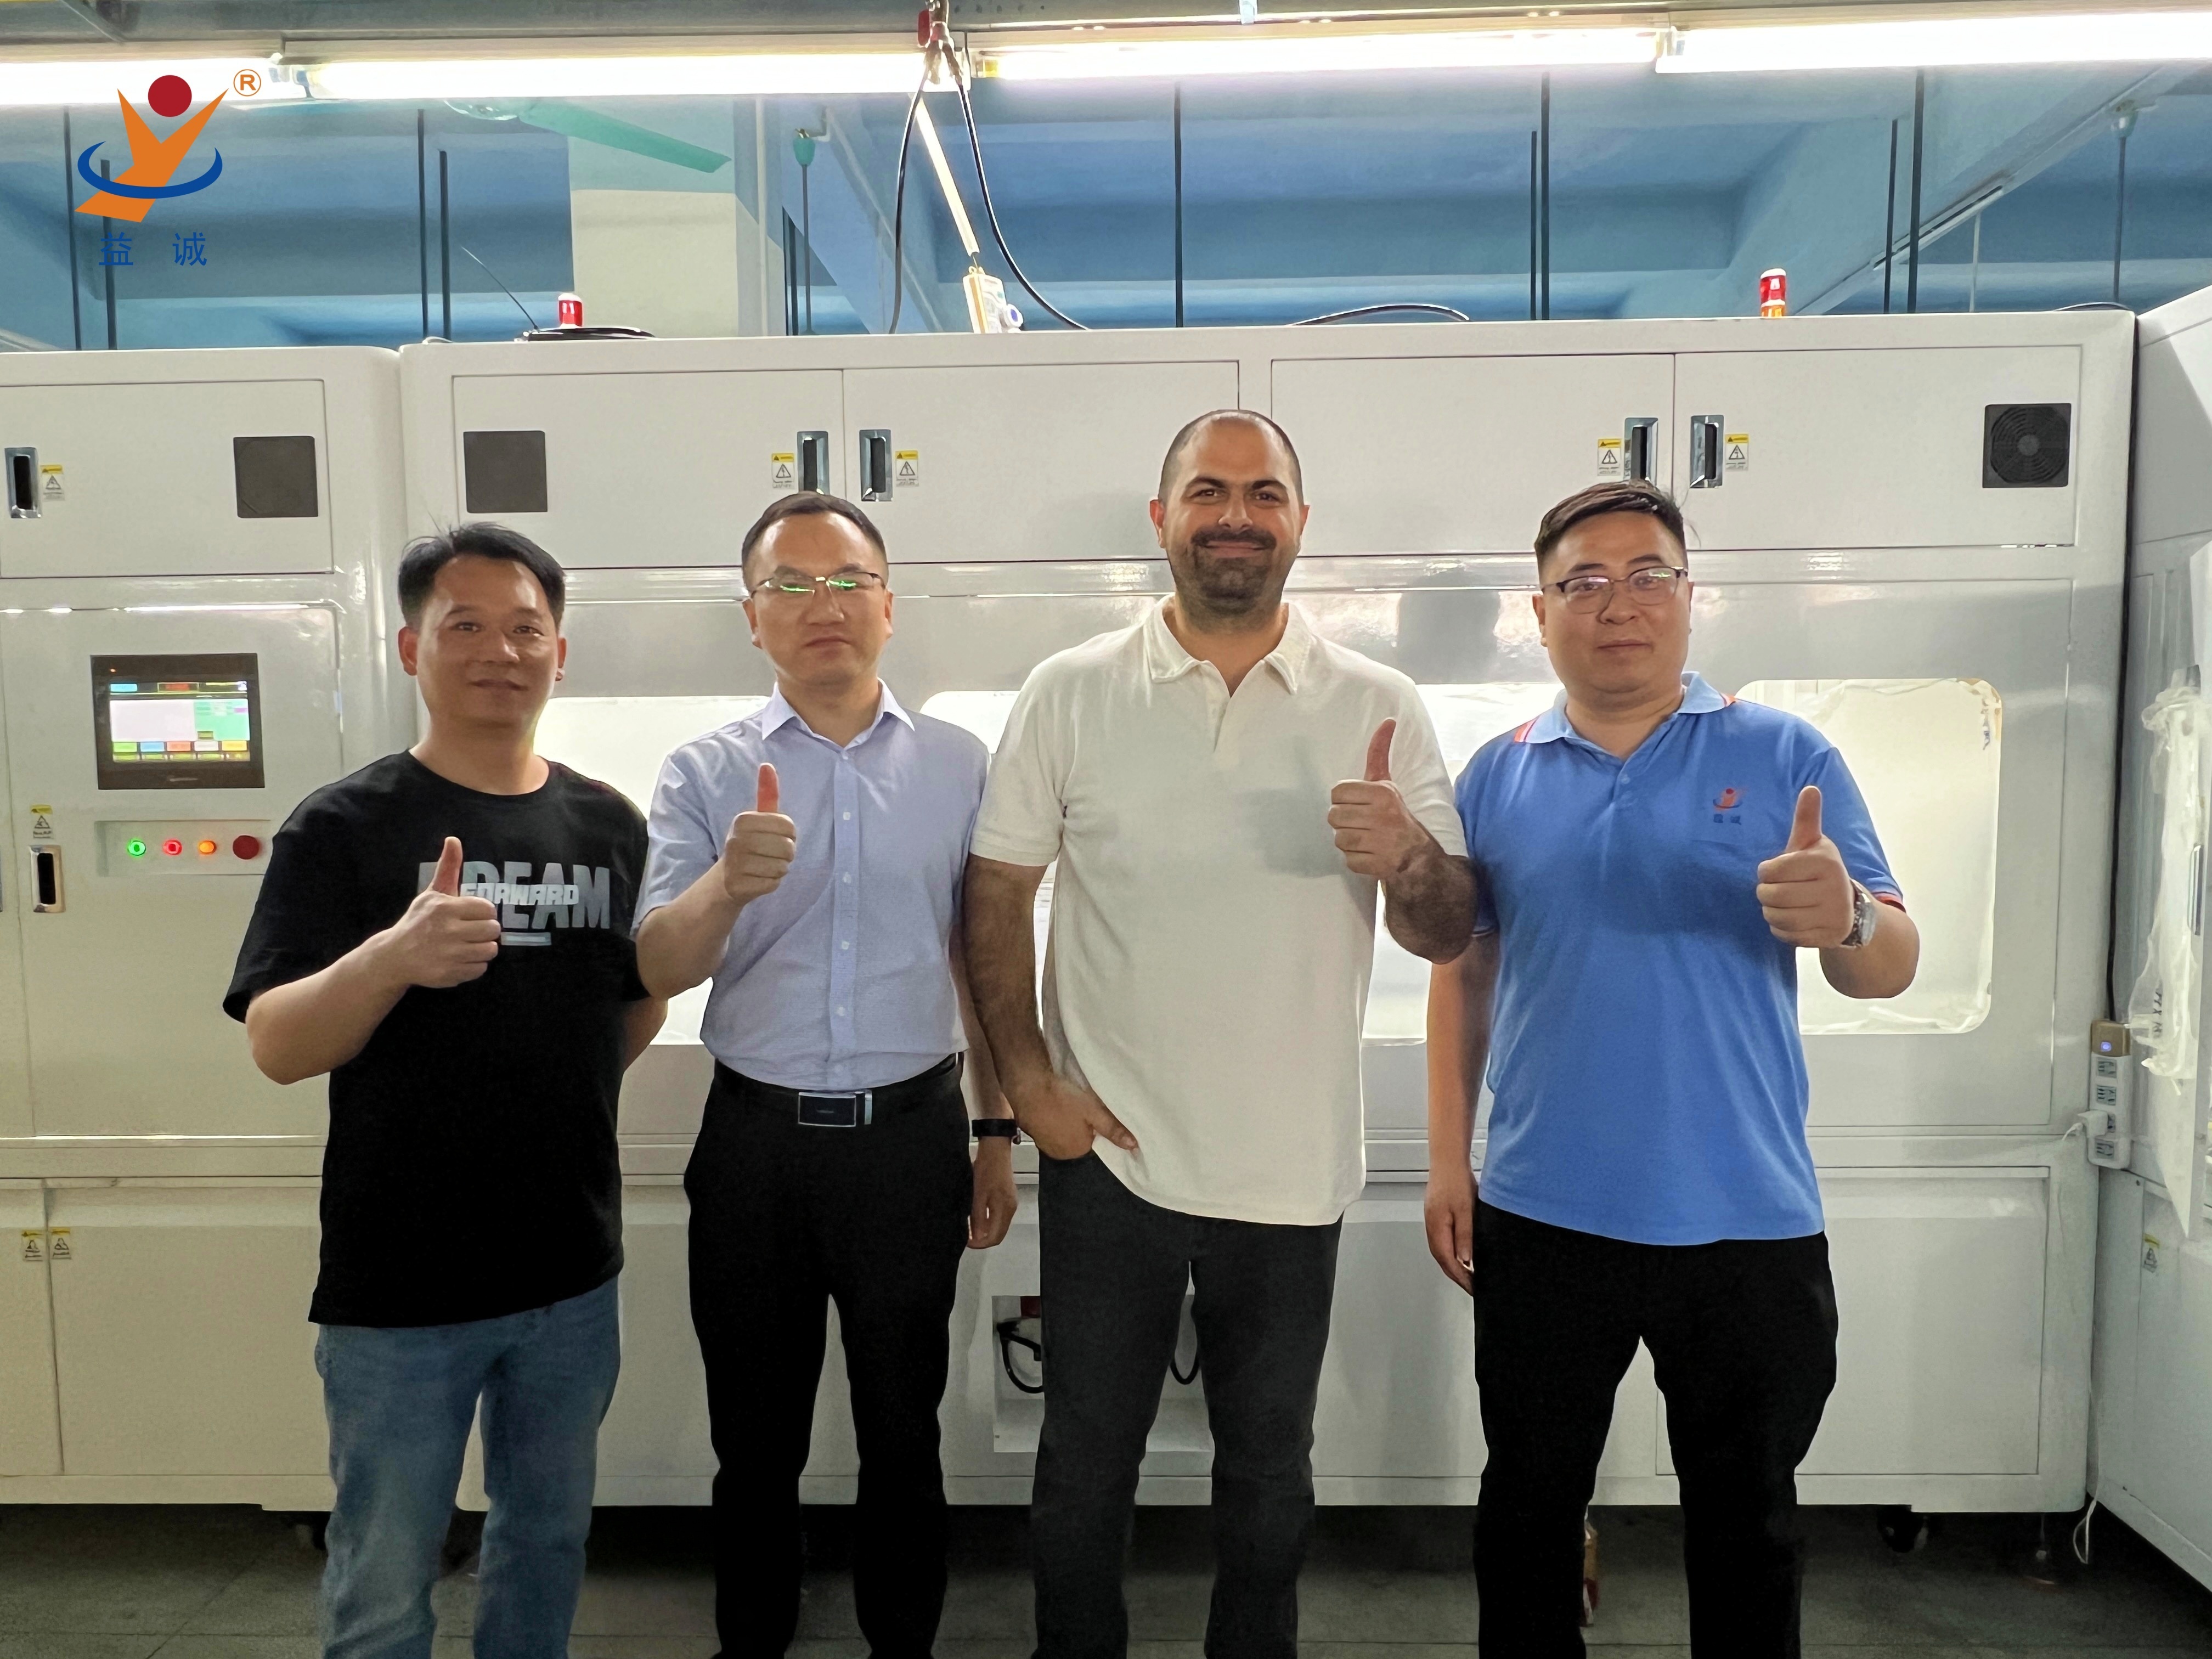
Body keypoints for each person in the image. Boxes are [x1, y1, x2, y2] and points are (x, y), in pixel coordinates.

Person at [964, 410, 1473, 1659]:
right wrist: (1029, 1083)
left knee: (1268, 1468)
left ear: (1300, 521)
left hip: (1292, 1169)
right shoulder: (1071, 691)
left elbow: (1447, 929)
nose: (1234, 516)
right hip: (1112, 1159)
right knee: (1086, 1462)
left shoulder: (1379, 702)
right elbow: (996, 893)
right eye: (1208, 492)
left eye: (1262, 493)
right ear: (1163, 518)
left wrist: (1408, 856)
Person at [1425, 479, 1921, 1658]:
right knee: (1528, 1511)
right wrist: (1451, 1164)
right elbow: (1464, 971)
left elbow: (1891, 963)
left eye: (1649, 575)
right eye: (1585, 583)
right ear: (1540, 613)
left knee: (1749, 1526)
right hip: (1545, 1212)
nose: (1620, 605)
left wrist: (1848, 917)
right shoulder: (1496, 774)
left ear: (1692, 597)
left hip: (1745, 1217)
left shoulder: (1787, 754)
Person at [226, 522, 667, 1659]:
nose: (499, 652)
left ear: (559, 653)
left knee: (546, 1544)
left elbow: (629, 1010)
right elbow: (278, 1044)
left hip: (571, 1275)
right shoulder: (344, 826)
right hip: (400, 1285)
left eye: (526, 629)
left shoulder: (608, 824)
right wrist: (390, 959)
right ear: (411, 646)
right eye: (465, 625)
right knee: (385, 1575)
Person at [634, 491, 1016, 1659]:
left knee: (905, 1428)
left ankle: (904, 1643)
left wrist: (995, 1133)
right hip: (755, 1148)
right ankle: (752, 1641)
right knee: (755, 1438)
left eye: (848, 581)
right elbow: (658, 964)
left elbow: (983, 961)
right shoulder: (706, 770)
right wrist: (727, 886)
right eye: (789, 586)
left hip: (910, 1143)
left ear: (890, 607)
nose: (823, 606)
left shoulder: (959, 765)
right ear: (752, 618)